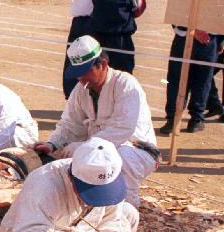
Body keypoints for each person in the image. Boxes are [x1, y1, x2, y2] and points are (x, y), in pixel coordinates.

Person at [35, 36, 158, 206]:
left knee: (120, 157)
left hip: (136, 150)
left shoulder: (126, 84)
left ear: (103, 65)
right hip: (97, 149)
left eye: (86, 72)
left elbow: (122, 129)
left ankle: (127, 209)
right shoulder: (81, 89)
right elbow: (70, 124)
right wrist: (53, 144)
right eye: (78, 74)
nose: (81, 78)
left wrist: (86, 147)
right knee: (65, 164)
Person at [0, 137, 139, 232]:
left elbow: (113, 217)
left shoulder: (107, 176)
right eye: (93, 192)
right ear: (71, 177)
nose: (97, 201)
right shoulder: (43, 186)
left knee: (129, 213)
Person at [159, 0, 224, 135]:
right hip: (209, 40)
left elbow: (176, 14)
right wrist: (222, 40)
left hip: (184, 37)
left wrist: (191, 30)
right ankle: (196, 119)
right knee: (203, 80)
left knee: (176, 80)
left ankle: (172, 119)